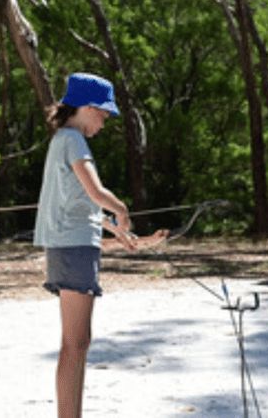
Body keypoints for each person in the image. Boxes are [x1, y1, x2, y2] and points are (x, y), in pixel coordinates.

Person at [33, 72, 169, 418]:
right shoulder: (74, 140)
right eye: (104, 115)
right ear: (87, 108)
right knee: (76, 344)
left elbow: (80, 202)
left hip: (68, 246)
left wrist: (116, 230)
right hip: (73, 249)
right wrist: (122, 210)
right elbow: (96, 192)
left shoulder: (61, 139)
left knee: (76, 343)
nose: (104, 123)